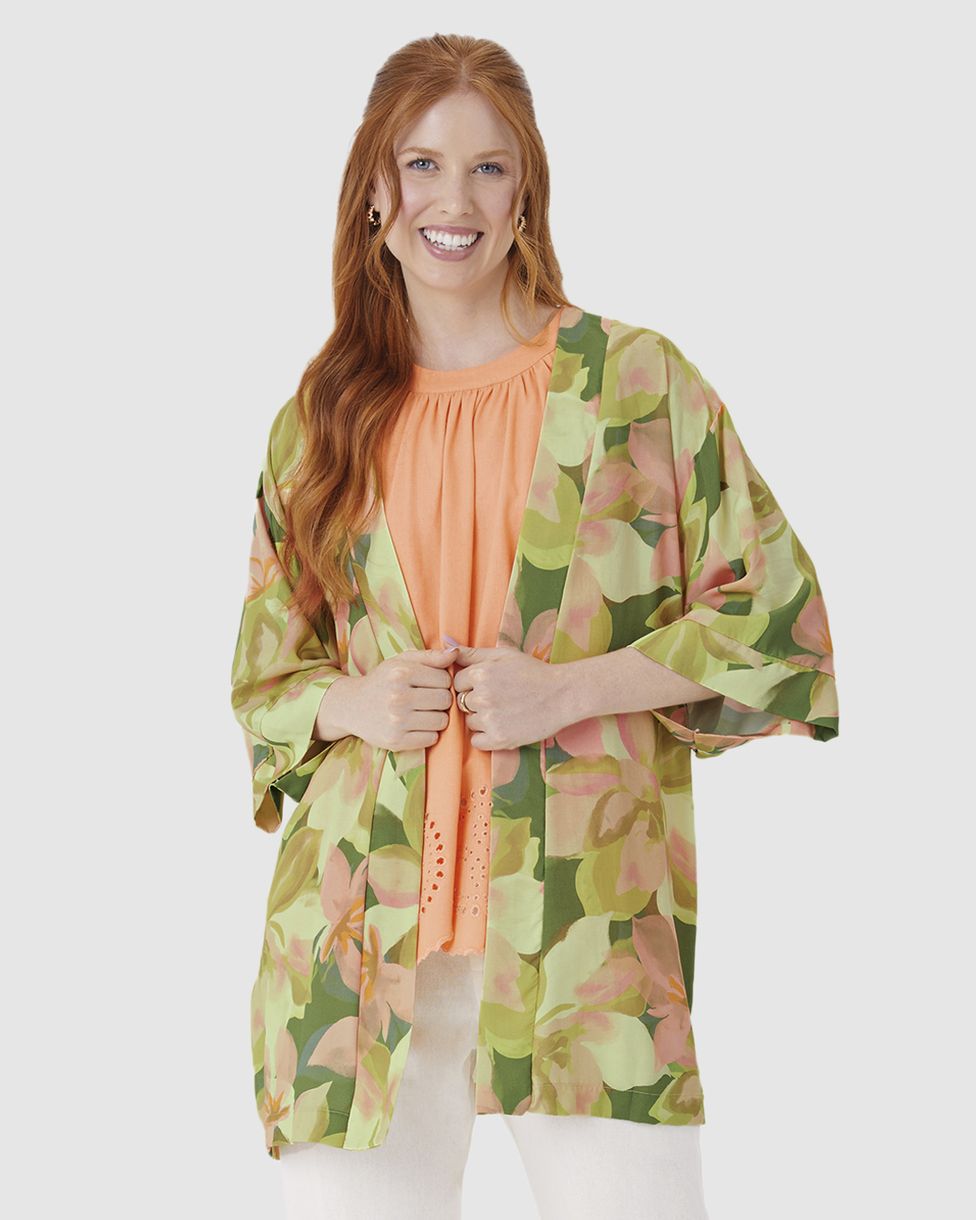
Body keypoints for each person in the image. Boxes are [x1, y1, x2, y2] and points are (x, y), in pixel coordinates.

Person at [230, 32, 838, 1220]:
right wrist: (355, 700)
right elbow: (264, 678)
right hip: (353, 961)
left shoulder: (634, 385)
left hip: (585, 941)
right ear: (375, 188)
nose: (452, 201)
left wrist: (569, 688)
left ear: (527, 192)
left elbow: (777, 616)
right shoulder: (320, 417)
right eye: (421, 164)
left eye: (488, 168)